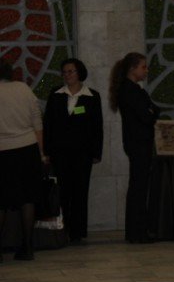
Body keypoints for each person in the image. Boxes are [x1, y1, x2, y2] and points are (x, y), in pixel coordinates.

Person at [42, 58, 104, 244]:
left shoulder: (92, 96)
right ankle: (63, 230)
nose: (67, 75)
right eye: (65, 72)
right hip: (60, 152)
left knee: (80, 192)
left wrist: (96, 153)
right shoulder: (56, 94)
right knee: (63, 192)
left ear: (79, 73)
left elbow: (97, 127)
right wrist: (47, 151)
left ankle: (78, 232)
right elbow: (48, 124)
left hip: (83, 153)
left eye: (71, 71)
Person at [109, 52, 160, 244]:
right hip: (138, 142)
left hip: (138, 142)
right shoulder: (129, 90)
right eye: (143, 67)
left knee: (139, 186)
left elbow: (154, 109)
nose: (146, 70)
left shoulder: (134, 90)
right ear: (132, 69)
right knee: (138, 188)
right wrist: (151, 112)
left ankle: (137, 230)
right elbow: (147, 115)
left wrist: (151, 111)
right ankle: (137, 232)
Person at [0, 59, 45, 261]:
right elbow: (37, 122)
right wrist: (41, 152)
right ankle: (27, 247)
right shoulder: (23, 89)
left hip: (2, 151)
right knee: (28, 199)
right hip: (27, 149)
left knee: (1, 201)